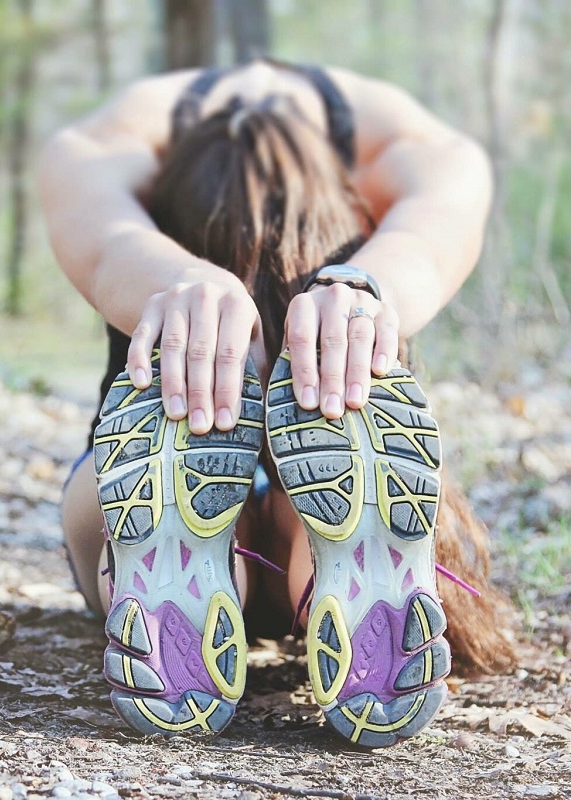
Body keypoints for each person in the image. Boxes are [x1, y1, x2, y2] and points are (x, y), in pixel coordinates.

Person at [39, 59, 515, 747]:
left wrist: (177, 287)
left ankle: (180, 580)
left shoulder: (115, 134)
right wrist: (362, 293)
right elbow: (437, 227)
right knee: (318, 508)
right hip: (329, 430)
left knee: (119, 505)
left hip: (170, 431)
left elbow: (105, 240)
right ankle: (325, 573)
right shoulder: (398, 137)